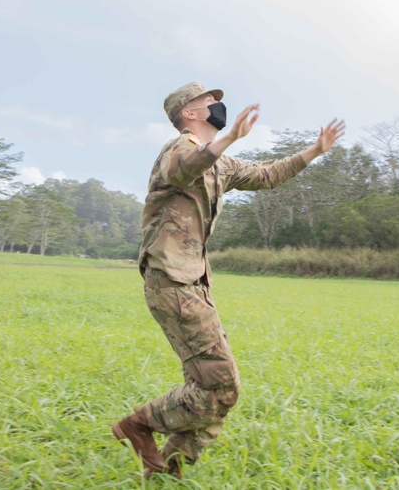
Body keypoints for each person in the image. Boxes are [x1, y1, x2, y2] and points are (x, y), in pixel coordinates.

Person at [111, 82, 344, 478]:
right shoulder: (178, 150)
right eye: (209, 101)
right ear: (189, 112)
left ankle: (170, 469)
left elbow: (268, 175)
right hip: (172, 280)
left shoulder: (221, 165)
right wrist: (232, 136)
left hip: (192, 283)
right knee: (221, 385)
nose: (218, 105)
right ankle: (139, 425)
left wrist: (314, 151)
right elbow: (186, 168)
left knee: (214, 387)